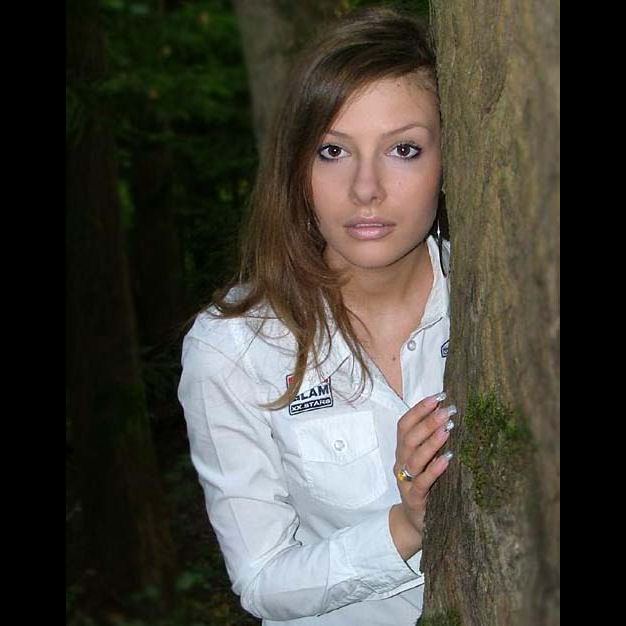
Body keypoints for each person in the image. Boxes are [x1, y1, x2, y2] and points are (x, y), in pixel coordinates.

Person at [178, 6, 456, 625]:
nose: (365, 188)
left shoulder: (497, 302)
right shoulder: (235, 349)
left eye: (403, 149)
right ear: (298, 167)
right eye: (333, 151)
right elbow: (261, 579)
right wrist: (403, 527)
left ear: (449, 161)